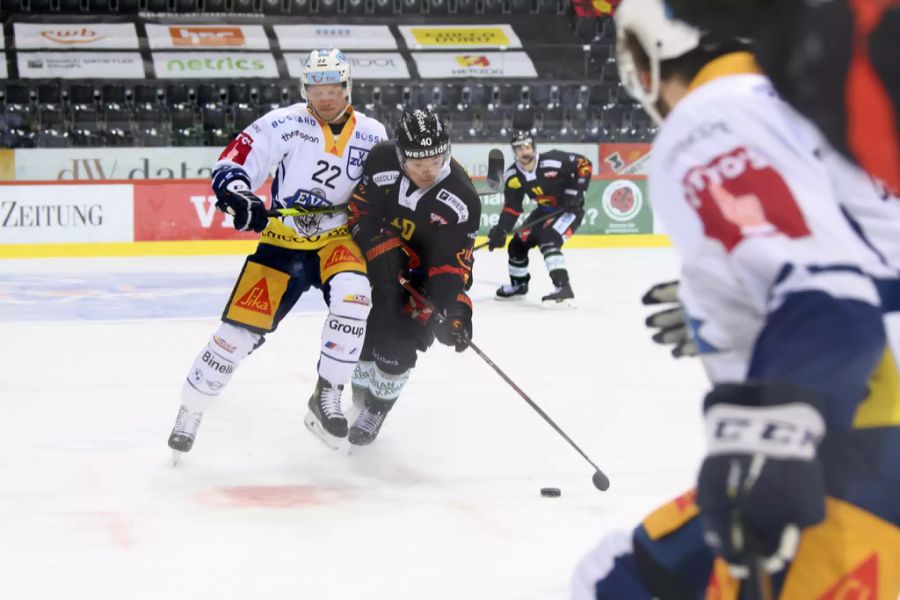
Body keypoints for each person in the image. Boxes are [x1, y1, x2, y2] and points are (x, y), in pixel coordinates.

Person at [572, 1, 900, 597]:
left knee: (610, 583)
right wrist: (738, 303)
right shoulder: (810, 99)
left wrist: (765, 445)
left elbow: (829, 297)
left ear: (649, 56)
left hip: (863, 444)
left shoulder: (711, 115)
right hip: (865, 427)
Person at [167, 48, 388, 456]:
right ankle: (191, 409)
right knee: (236, 336)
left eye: (333, 87)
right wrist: (239, 194)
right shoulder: (283, 123)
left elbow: (393, 187)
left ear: (347, 87)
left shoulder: (374, 134)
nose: (325, 97)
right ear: (305, 88)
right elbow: (234, 162)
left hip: (337, 239)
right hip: (283, 240)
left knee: (356, 299)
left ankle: (327, 396)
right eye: (316, 88)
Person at [345, 108, 481, 446]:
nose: (428, 171)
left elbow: (452, 265)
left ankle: (376, 410)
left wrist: (456, 309)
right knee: (364, 339)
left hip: (421, 279)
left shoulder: (462, 199)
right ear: (400, 156)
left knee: (399, 346)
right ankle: (359, 400)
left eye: (435, 161)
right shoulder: (380, 163)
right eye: (418, 164)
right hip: (378, 268)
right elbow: (359, 210)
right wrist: (380, 248)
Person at [486, 131, 593, 307]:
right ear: (514, 151)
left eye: (527, 146)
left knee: (549, 239)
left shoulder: (553, 160)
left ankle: (563, 289)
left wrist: (576, 192)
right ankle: (519, 286)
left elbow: (584, 164)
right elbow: (512, 208)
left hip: (569, 210)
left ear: (534, 147)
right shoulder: (512, 176)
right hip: (544, 211)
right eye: (519, 148)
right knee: (517, 244)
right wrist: (501, 229)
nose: (524, 151)